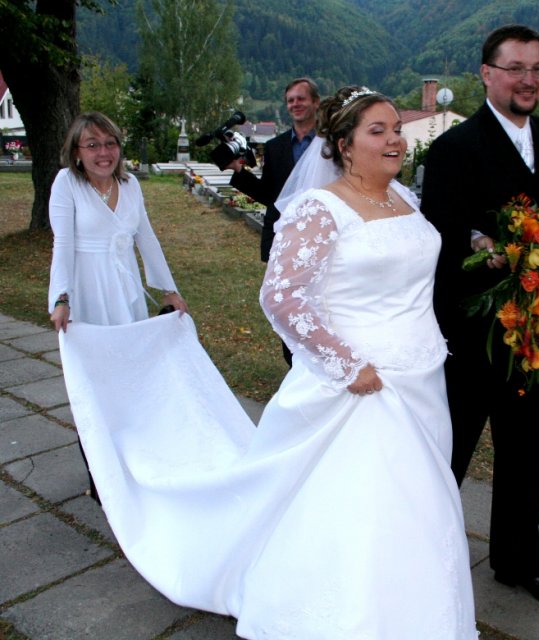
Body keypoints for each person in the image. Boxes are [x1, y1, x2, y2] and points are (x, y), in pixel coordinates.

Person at [58, 86, 478, 638]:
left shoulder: (406, 200)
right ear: (345, 145)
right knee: (370, 499)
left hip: (423, 374)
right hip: (364, 382)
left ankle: (420, 606)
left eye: (397, 128)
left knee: (421, 501)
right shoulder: (320, 208)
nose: (395, 139)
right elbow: (282, 297)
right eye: (377, 130)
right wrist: (346, 365)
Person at [421, 24, 539, 607]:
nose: (528, 80)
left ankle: (520, 562)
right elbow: (439, 237)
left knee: (525, 452)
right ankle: (420, 563)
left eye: (537, 68)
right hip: (471, 337)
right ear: (487, 74)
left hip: (537, 332)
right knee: (449, 453)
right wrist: (488, 253)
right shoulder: (454, 148)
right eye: (516, 68)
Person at [48, 111, 189, 500]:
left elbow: (147, 238)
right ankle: (100, 475)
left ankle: (132, 461)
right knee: (94, 386)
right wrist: (61, 297)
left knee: (131, 379)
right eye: (92, 145)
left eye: (109, 143)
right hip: (88, 292)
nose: (103, 152)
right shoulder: (67, 184)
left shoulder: (130, 185)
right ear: (77, 152)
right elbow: (62, 243)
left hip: (125, 293)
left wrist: (168, 290)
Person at [227, 77, 320, 365]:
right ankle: (293, 365)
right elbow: (270, 195)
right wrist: (238, 173)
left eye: (301, 98)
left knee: (318, 302)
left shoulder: (331, 144)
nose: (295, 104)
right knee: (287, 303)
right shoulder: (276, 147)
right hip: (284, 238)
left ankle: (318, 359)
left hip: (319, 236)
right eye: (290, 100)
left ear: (315, 102)